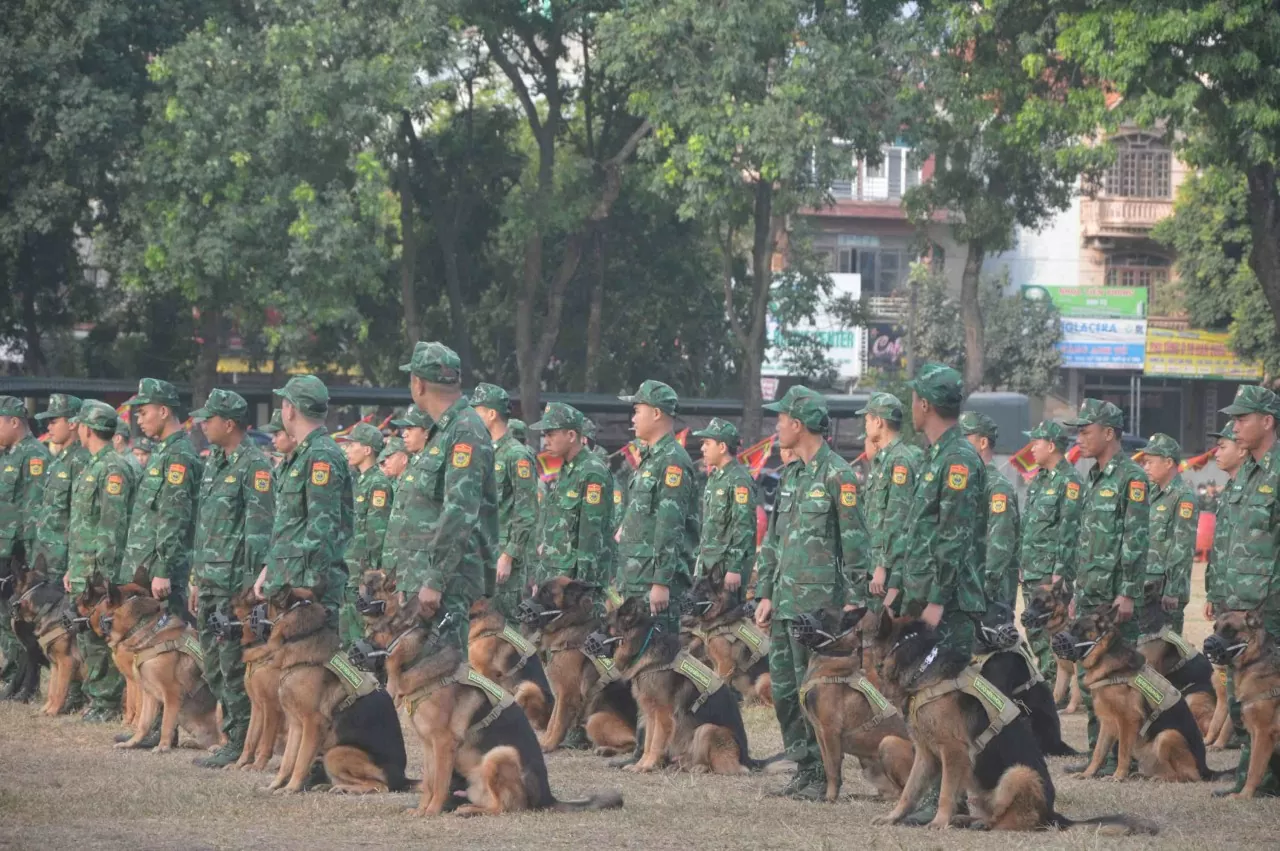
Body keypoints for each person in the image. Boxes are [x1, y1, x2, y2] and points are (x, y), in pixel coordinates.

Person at [754, 385, 868, 800]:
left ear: (798, 424)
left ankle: (823, 774)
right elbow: (774, 541)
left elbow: (855, 542)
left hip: (819, 610)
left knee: (815, 695)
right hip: (784, 603)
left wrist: (856, 602)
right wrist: (764, 591)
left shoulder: (839, 474)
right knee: (784, 691)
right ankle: (803, 766)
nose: (776, 426)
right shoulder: (791, 474)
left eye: (780, 419)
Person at [188, 389, 274, 768]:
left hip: (233, 585)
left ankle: (238, 739)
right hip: (208, 579)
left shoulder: (254, 465)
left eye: (209, 418)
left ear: (229, 423)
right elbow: (205, 526)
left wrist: (247, 591)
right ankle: (232, 733)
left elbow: (259, 530)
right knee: (212, 662)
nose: (203, 424)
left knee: (232, 663)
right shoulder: (215, 462)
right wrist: (195, 576)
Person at [1063, 398, 1148, 775]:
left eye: (1086, 430)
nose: (1079, 437)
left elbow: (1135, 537)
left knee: (1116, 681)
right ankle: (1097, 756)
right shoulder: (1093, 476)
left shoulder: (1132, 477)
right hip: (1090, 593)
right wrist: (1075, 595)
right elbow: (1086, 540)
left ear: (1109, 433)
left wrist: (1128, 591)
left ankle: (1122, 759)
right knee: (1092, 678)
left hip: (1114, 599)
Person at [394, 342, 496, 650]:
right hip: (425, 578)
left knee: (439, 682)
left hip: (443, 586)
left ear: (419, 383)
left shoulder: (464, 430)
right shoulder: (445, 430)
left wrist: (434, 580)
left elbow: (459, 511)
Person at [885, 364, 986, 652]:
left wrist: (937, 601)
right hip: (920, 597)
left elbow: (953, 537)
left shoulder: (958, 460)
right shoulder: (935, 456)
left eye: (914, 399)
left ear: (925, 405)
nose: (912, 406)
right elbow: (917, 531)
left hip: (945, 608)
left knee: (942, 693)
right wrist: (897, 589)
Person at [1214, 385, 1280, 797]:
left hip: (1271, 606)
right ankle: (1255, 782)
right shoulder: (1250, 474)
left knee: (1266, 703)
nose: (1235, 425)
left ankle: (1256, 784)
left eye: (1242, 418)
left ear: (1267, 421)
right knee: (1251, 703)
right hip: (1244, 604)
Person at [253, 375, 353, 623]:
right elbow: (291, 526)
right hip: (289, 581)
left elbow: (322, 526)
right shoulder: (304, 454)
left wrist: (311, 588)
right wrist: (270, 568)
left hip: (305, 592)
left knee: (312, 659)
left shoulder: (321, 455)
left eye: (284, 403)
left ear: (291, 409)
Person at [65, 400, 136, 721]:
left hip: (98, 572)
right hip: (82, 566)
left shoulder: (112, 468)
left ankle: (107, 703)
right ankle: (95, 699)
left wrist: (102, 576)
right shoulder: (93, 465)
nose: (76, 429)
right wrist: (73, 568)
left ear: (88, 428)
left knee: (101, 635)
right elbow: (82, 524)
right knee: (86, 635)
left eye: (79, 424)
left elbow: (111, 524)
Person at [615, 380, 698, 631]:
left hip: (654, 584)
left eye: (637, 410)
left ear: (656, 413)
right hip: (636, 577)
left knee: (656, 662)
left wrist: (661, 582)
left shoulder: (672, 460)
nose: (633, 418)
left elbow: (670, 525)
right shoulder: (651, 459)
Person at [119, 379, 203, 619]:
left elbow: (174, 515)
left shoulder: (179, 455)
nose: (139, 419)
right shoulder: (163, 451)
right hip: (145, 570)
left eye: (144, 412)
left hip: (161, 576)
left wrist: (164, 570)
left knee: (168, 645)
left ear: (164, 411)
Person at [1018, 420, 1083, 678]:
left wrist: (1060, 572)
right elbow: (1028, 524)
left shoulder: (1070, 481)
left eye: (1037, 442)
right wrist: (1020, 562)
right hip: (1032, 569)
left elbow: (1070, 530)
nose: (1031, 448)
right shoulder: (1039, 480)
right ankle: (1049, 678)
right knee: (1034, 629)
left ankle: (1058, 683)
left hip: (1050, 573)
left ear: (1052, 445)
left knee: (1054, 630)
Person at [529, 402, 614, 591]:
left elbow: (591, 537)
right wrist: (541, 578)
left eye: (551, 434)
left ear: (571, 435)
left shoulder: (592, 472)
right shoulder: (567, 469)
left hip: (573, 586)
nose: (546, 440)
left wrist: (579, 589)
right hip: (555, 577)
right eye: (545, 435)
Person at [472, 383, 538, 618]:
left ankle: (526, 654)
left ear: (491, 414)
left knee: (505, 625)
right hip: (480, 553)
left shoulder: (516, 455)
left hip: (502, 556)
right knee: (481, 627)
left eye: (476, 411)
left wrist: (509, 555)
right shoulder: (485, 451)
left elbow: (527, 511)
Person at [0, 396, 50, 701]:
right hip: (3, 547)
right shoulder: (8, 454)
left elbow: (33, 510)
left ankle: (25, 680)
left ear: (14, 422)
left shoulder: (35, 456)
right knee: (6, 619)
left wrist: (29, 557)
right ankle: (15, 676)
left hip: (17, 552)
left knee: (18, 619)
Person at [860, 393, 922, 611]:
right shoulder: (883, 461)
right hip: (875, 565)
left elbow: (898, 519)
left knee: (883, 635)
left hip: (888, 572)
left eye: (867, 419)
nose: (865, 425)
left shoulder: (900, 461)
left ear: (878, 421)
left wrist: (883, 566)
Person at [691, 417, 759, 602]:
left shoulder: (739, 480)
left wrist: (735, 568)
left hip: (726, 569)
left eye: (707, 443)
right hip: (709, 566)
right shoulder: (715, 478)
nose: (702, 448)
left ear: (722, 447)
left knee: (725, 622)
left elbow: (744, 526)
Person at [338, 422, 393, 646]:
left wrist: (369, 576)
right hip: (348, 569)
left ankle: (368, 680)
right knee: (347, 631)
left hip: (361, 573)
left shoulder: (377, 484)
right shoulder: (357, 482)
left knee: (364, 635)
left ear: (368, 450)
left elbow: (376, 534)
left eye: (353, 445)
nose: (348, 450)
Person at [960, 411, 1021, 613]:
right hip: (967, 589)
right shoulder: (970, 482)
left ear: (983, 442)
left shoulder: (997, 487)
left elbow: (1000, 544)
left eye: (965, 438)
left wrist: (984, 588)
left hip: (990, 595)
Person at [1139, 433, 1198, 635]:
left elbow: (1182, 545)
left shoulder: (1183, 497)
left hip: (1166, 592)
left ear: (1168, 462)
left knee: (1165, 654)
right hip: (1148, 587)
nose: (1145, 467)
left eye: (1149, 462)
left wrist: (1172, 590)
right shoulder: (1153, 493)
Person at [33, 395, 90, 589]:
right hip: (46, 556)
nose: (48, 427)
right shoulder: (59, 460)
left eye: (54, 421)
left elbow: (81, 516)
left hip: (63, 560)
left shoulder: (81, 460)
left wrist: (75, 564)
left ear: (73, 424)